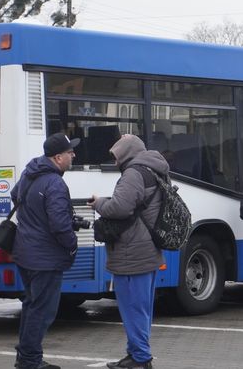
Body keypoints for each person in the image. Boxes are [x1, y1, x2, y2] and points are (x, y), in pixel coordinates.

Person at [88, 134, 169, 369]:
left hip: (132, 250)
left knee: (132, 308)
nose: (114, 162)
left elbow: (120, 207)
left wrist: (99, 203)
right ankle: (135, 354)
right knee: (141, 308)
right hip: (148, 247)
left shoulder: (134, 173)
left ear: (127, 154)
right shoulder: (154, 168)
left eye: (116, 156)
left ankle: (141, 358)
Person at [12, 133, 80, 369]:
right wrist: (72, 244)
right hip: (45, 258)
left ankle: (26, 356)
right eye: (70, 152)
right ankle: (30, 361)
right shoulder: (54, 183)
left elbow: (15, 196)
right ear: (58, 157)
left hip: (24, 253)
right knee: (42, 310)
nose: (73, 155)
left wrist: (33, 219)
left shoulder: (30, 173)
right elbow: (60, 225)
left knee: (32, 306)